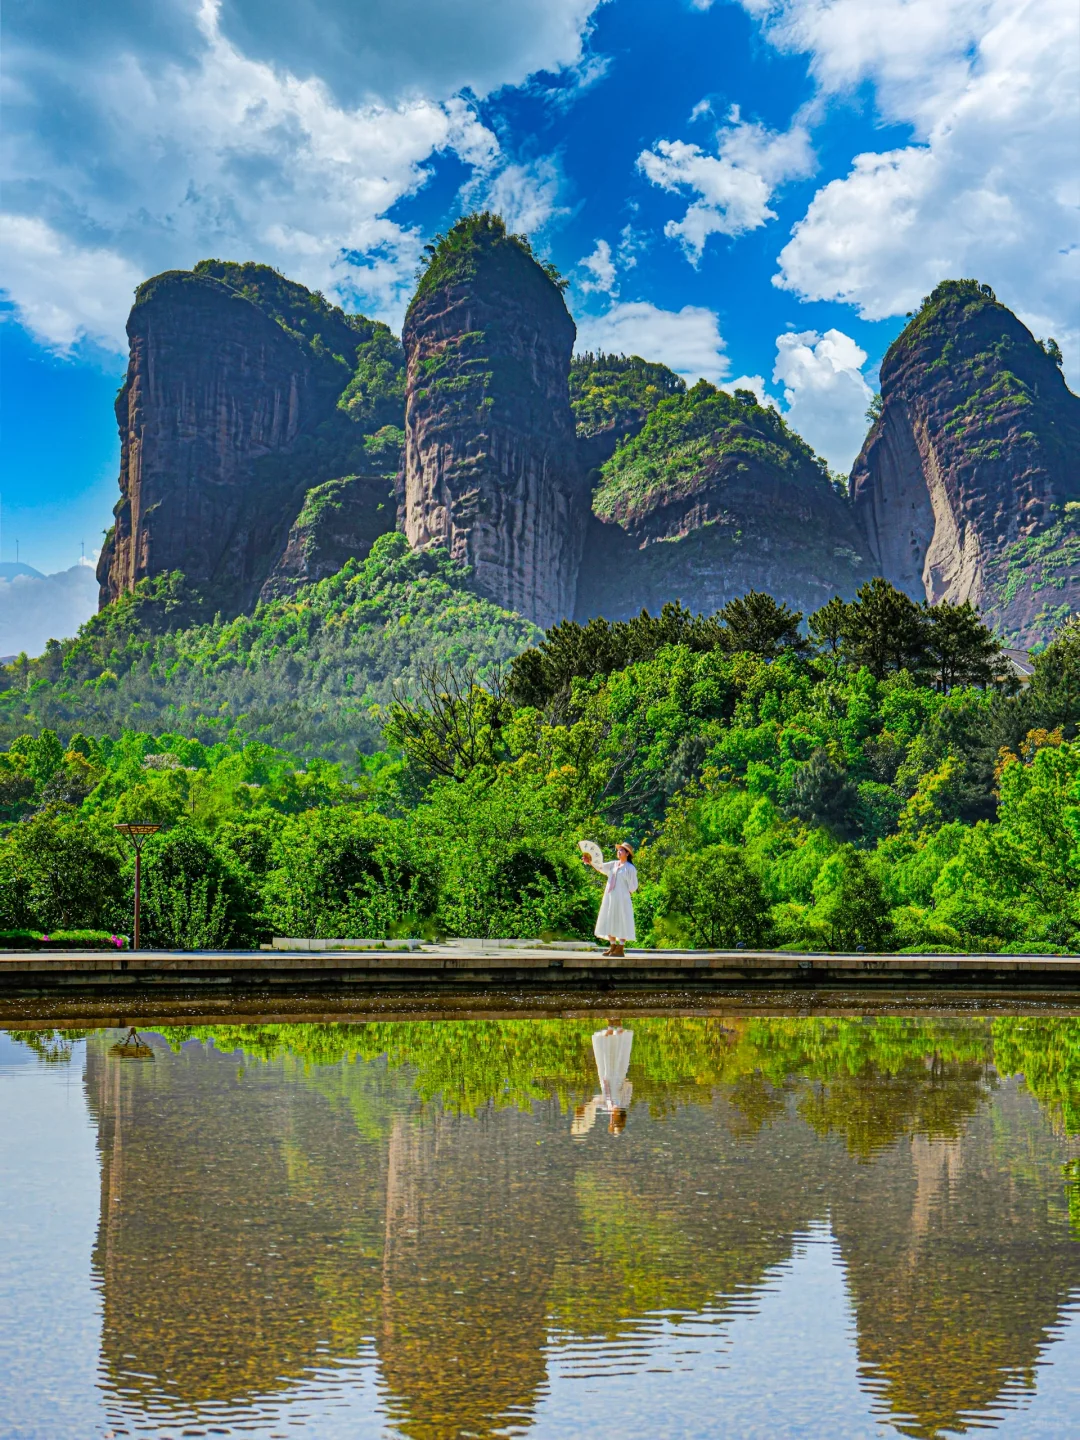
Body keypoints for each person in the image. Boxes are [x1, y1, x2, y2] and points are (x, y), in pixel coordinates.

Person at [571, 1023, 634, 1138]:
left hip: (606, 1076)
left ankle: (611, 1027)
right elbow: (629, 1086)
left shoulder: (608, 1107)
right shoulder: (624, 1103)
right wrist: (621, 1081)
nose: (613, 1120)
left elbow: (596, 1101)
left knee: (605, 1053)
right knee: (617, 1054)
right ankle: (617, 1026)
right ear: (620, 1119)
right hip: (617, 1075)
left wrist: (583, 1108)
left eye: (612, 1123)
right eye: (615, 1122)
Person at [582, 842, 638, 958]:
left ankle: (621, 947)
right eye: (619, 850)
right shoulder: (614, 864)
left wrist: (625, 893)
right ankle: (612, 946)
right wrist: (590, 862)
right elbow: (601, 867)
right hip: (610, 896)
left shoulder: (630, 868)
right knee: (609, 918)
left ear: (627, 853)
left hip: (622, 898)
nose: (619, 852)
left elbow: (633, 885)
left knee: (622, 919)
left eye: (622, 850)